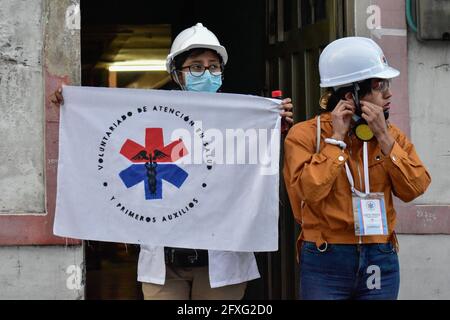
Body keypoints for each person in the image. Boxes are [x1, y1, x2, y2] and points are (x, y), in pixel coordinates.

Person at [50, 22, 294, 300]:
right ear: (177, 74)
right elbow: (106, 141)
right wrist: (72, 104)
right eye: (196, 66)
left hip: (220, 260)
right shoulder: (150, 119)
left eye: (214, 66)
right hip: (165, 262)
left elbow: (257, 173)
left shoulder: (240, 120)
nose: (207, 72)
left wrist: (273, 130)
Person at [283, 37, 431, 300]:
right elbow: (308, 191)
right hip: (325, 255)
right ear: (351, 96)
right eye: (378, 86)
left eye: (387, 84)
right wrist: (336, 142)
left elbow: (416, 187)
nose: (389, 93)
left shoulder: (390, 134)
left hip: (380, 254)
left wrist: (384, 140)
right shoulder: (304, 135)